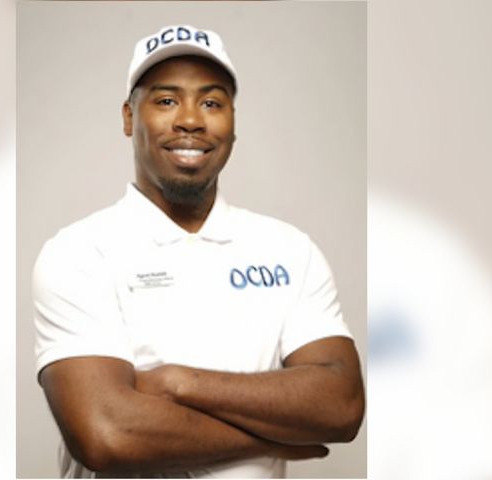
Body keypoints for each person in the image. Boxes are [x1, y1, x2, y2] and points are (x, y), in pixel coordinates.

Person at [33, 25, 364, 478]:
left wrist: (176, 382)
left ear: (233, 122)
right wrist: (274, 439)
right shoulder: (79, 252)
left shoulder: (289, 250)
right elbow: (107, 434)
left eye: (211, 103)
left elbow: (342, 404)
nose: (190, 120)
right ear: (129, 117)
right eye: (166, 100)